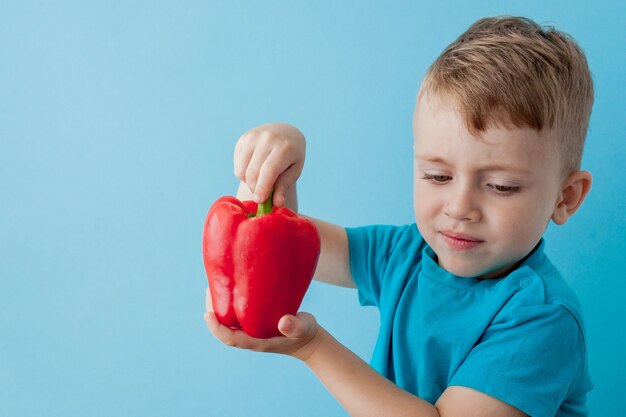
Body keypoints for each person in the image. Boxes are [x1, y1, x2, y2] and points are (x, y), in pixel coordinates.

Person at [204, 15, 594, 417]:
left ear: (565, 198)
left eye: (501, 186)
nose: (459, 208)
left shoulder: (543, 320)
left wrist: (311, 347)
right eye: (438, 176)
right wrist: (277, 156)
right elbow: (271, 246)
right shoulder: (403, 254)